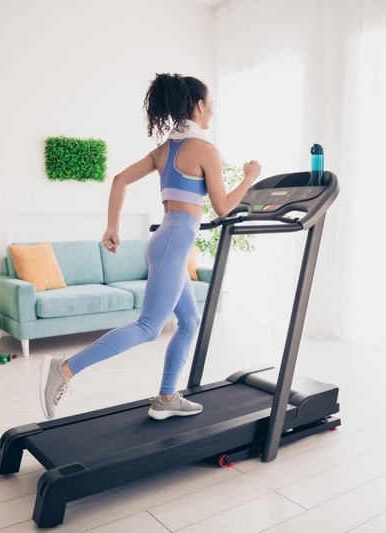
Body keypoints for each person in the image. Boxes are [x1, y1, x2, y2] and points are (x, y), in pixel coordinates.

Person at [40, 73, 262, 420]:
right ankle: (66, 369)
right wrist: (250, 177)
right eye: (212, 105)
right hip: (176, 241)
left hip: (163, 239)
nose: (213, 112)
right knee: (148, 327)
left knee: (189, 321)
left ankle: (166, 397)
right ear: (200, 105)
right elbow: (222, 207)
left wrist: (112, 227)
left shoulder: (165, 150)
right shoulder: (205, 150)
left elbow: (120, 180)